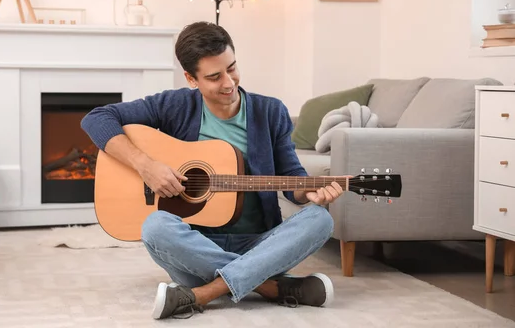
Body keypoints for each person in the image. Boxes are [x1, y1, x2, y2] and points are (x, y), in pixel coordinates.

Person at [81, 21, 345, 320]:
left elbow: (291, 178)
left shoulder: (270, 111)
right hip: (194, 247)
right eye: (214, 76)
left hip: (258, 242)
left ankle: (203, 293)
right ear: (191, 79)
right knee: (155, 227)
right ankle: (269, 287)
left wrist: (308, 191)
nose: (229, 82)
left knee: (319, 220)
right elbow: (97, 118)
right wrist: (147, 166)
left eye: (232, 68)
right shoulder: (174, 105)